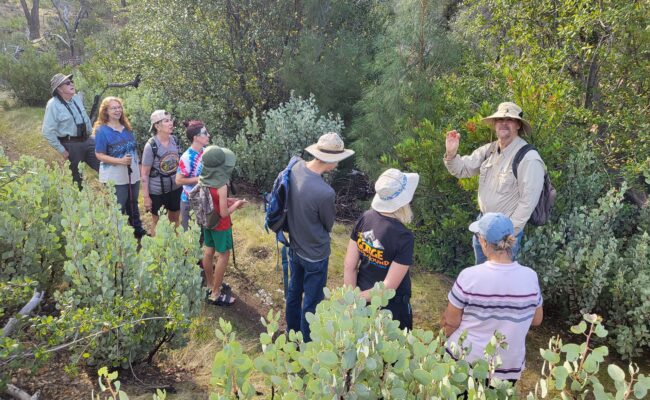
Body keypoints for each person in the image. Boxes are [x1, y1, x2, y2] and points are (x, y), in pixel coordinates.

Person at [441, 213, 543, 384]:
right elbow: (537, 320)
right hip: (508, 368)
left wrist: (442, 342)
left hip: (467, 363)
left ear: (484, 242)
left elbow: (451, 322)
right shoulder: (530, 277)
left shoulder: (469, 276)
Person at [444, 101, 546, 263]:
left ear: (518, 125)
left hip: (504, 233)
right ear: (494, 123)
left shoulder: (529, 158)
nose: (503, 123)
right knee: (482, 277)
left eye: (509, 120)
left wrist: (507, 235)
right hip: (482, 225)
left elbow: (528, 202)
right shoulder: (489, 149)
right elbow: (462, 169)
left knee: (501, 283)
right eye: (499, 119)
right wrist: (451, 153)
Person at [285, 132, 354, 342]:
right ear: (332, 162)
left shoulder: (295, 167)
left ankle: (291, 334)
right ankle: (307, 344)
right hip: (315, 254)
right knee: (312, 301)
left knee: (294, 291)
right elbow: (328, 224)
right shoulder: (325, 192)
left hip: (294, 245)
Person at [343, 168, 419, 330]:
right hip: (391, 309)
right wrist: (359, 299)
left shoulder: (366, 217)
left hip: (361, 296)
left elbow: (349, 266)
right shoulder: (404, 236)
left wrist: (353, 300)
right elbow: (388, 287)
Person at [93, 97, 147, 239]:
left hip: (132, 173)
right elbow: (99, 155)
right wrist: (120, 161)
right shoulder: (102, 130)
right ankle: (114, 235)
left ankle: (137, 229)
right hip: (114, 176)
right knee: (118, 206)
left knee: (133, 202)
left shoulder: (127, 128)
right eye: (113, 108)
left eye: (119, 107)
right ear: (106, 111)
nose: (117, 110)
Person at [199, 145, 247, 306]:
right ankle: (216, 293)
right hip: (221, 225)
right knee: (223, 255)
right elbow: (225, 213)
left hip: (208, 222)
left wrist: (228, 201)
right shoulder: (222, 185)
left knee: (208, 251)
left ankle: (210, 284)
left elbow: (213, 201)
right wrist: (238, 203)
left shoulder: (203, 179)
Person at [42, 73, 99, 187]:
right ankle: (80, 202)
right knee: (77, 180)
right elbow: (47, 132)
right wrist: (62, 150)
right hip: (71, 145)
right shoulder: (53, 105)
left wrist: (92, 134)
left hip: (87, 140)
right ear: (59, 89)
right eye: (67, 83)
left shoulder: (76, 98)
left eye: (71, 82)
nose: (71, 84)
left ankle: (117, 198)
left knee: (104, 167)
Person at [140, 110, 182, 234]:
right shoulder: (151, 146)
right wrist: (146, 197)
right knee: (157, 221)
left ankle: (175, 247)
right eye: (166, 121)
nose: (171, 123)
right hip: (157, 191)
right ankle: (157, 251)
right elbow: (144, 174)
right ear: (157, 126)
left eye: (170, 120)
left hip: (175, 188)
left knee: (174, 219)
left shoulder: (175, 140)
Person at [176, 120, 210, 231]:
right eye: (205, 133)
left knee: (203, 234)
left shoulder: (207, 152)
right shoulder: (186, 157)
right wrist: (200, 179)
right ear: (195, 137)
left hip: (204, 198)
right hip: (189, 201)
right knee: (190, 237)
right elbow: (178, 180)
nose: (208, 135)